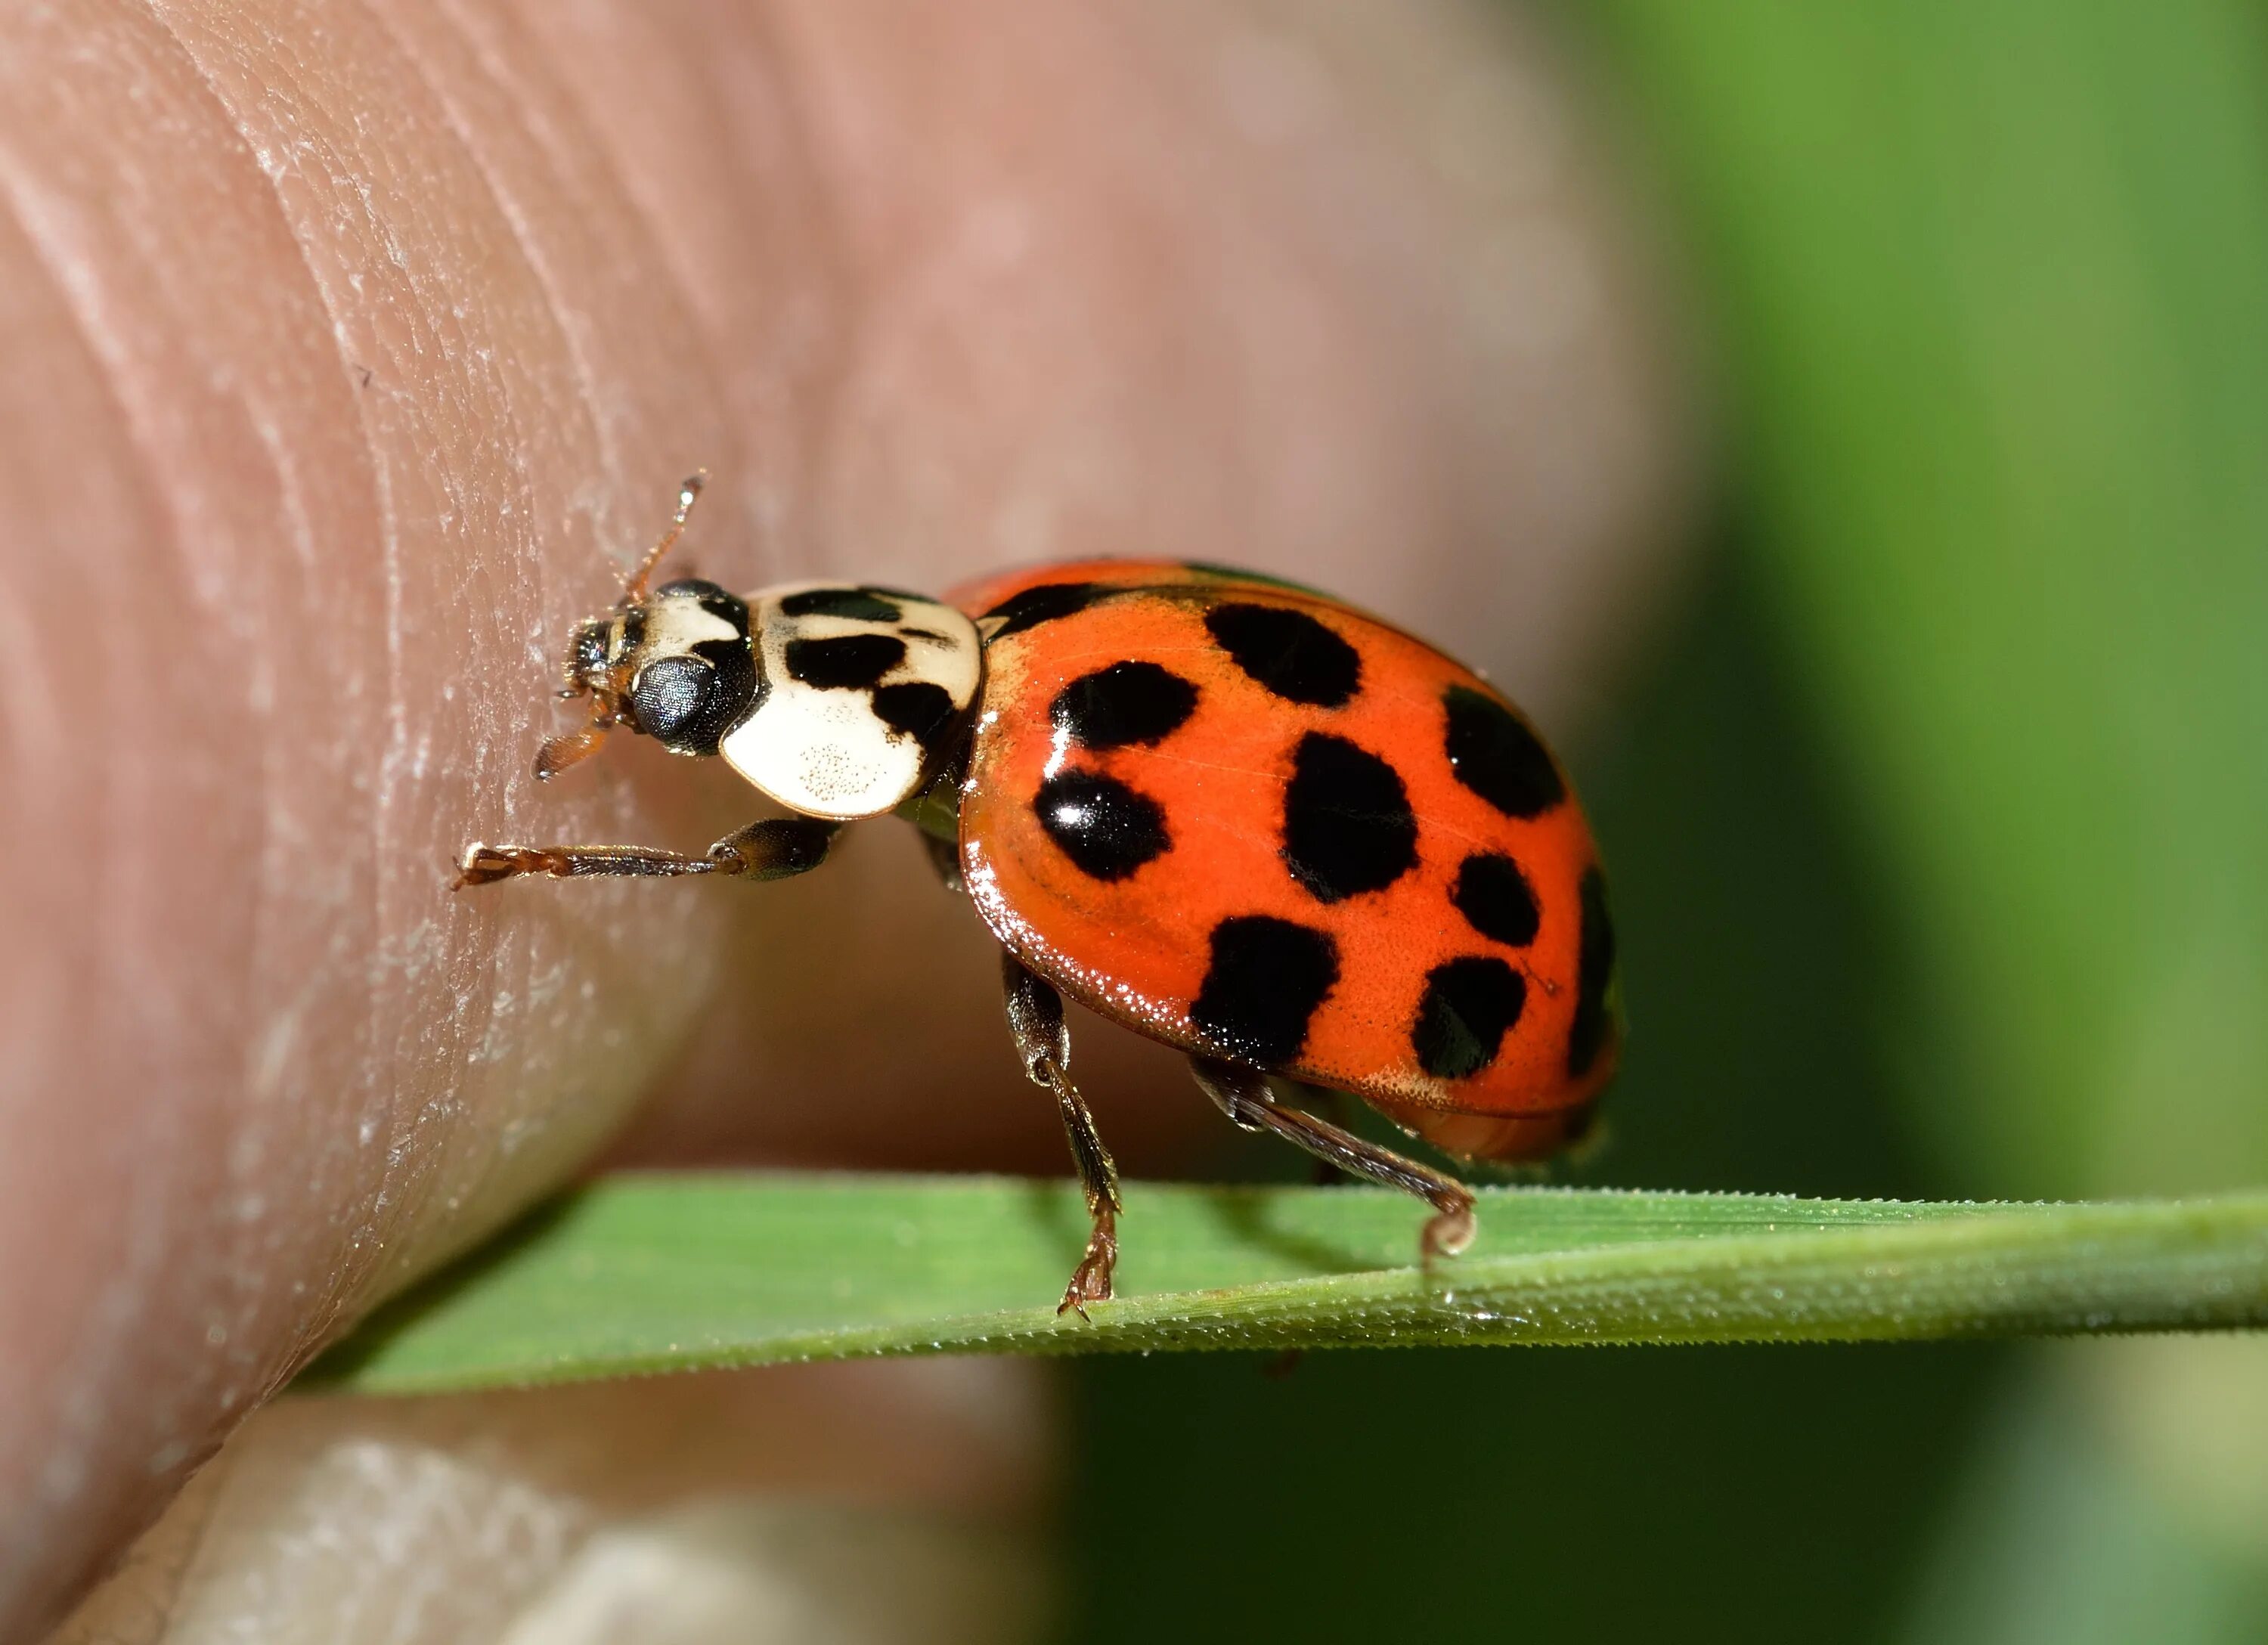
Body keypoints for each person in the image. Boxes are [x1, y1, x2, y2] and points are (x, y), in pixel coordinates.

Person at [0, 3, 1678, 1637]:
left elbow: (1008, 984)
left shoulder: (1042, 801)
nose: (697, 687)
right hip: (1475, 837)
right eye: (716, 667)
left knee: (1187, 1058)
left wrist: (565, 857)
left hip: (1498, 983)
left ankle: (1390, 1177)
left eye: (709, 682)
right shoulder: (1006, 616)